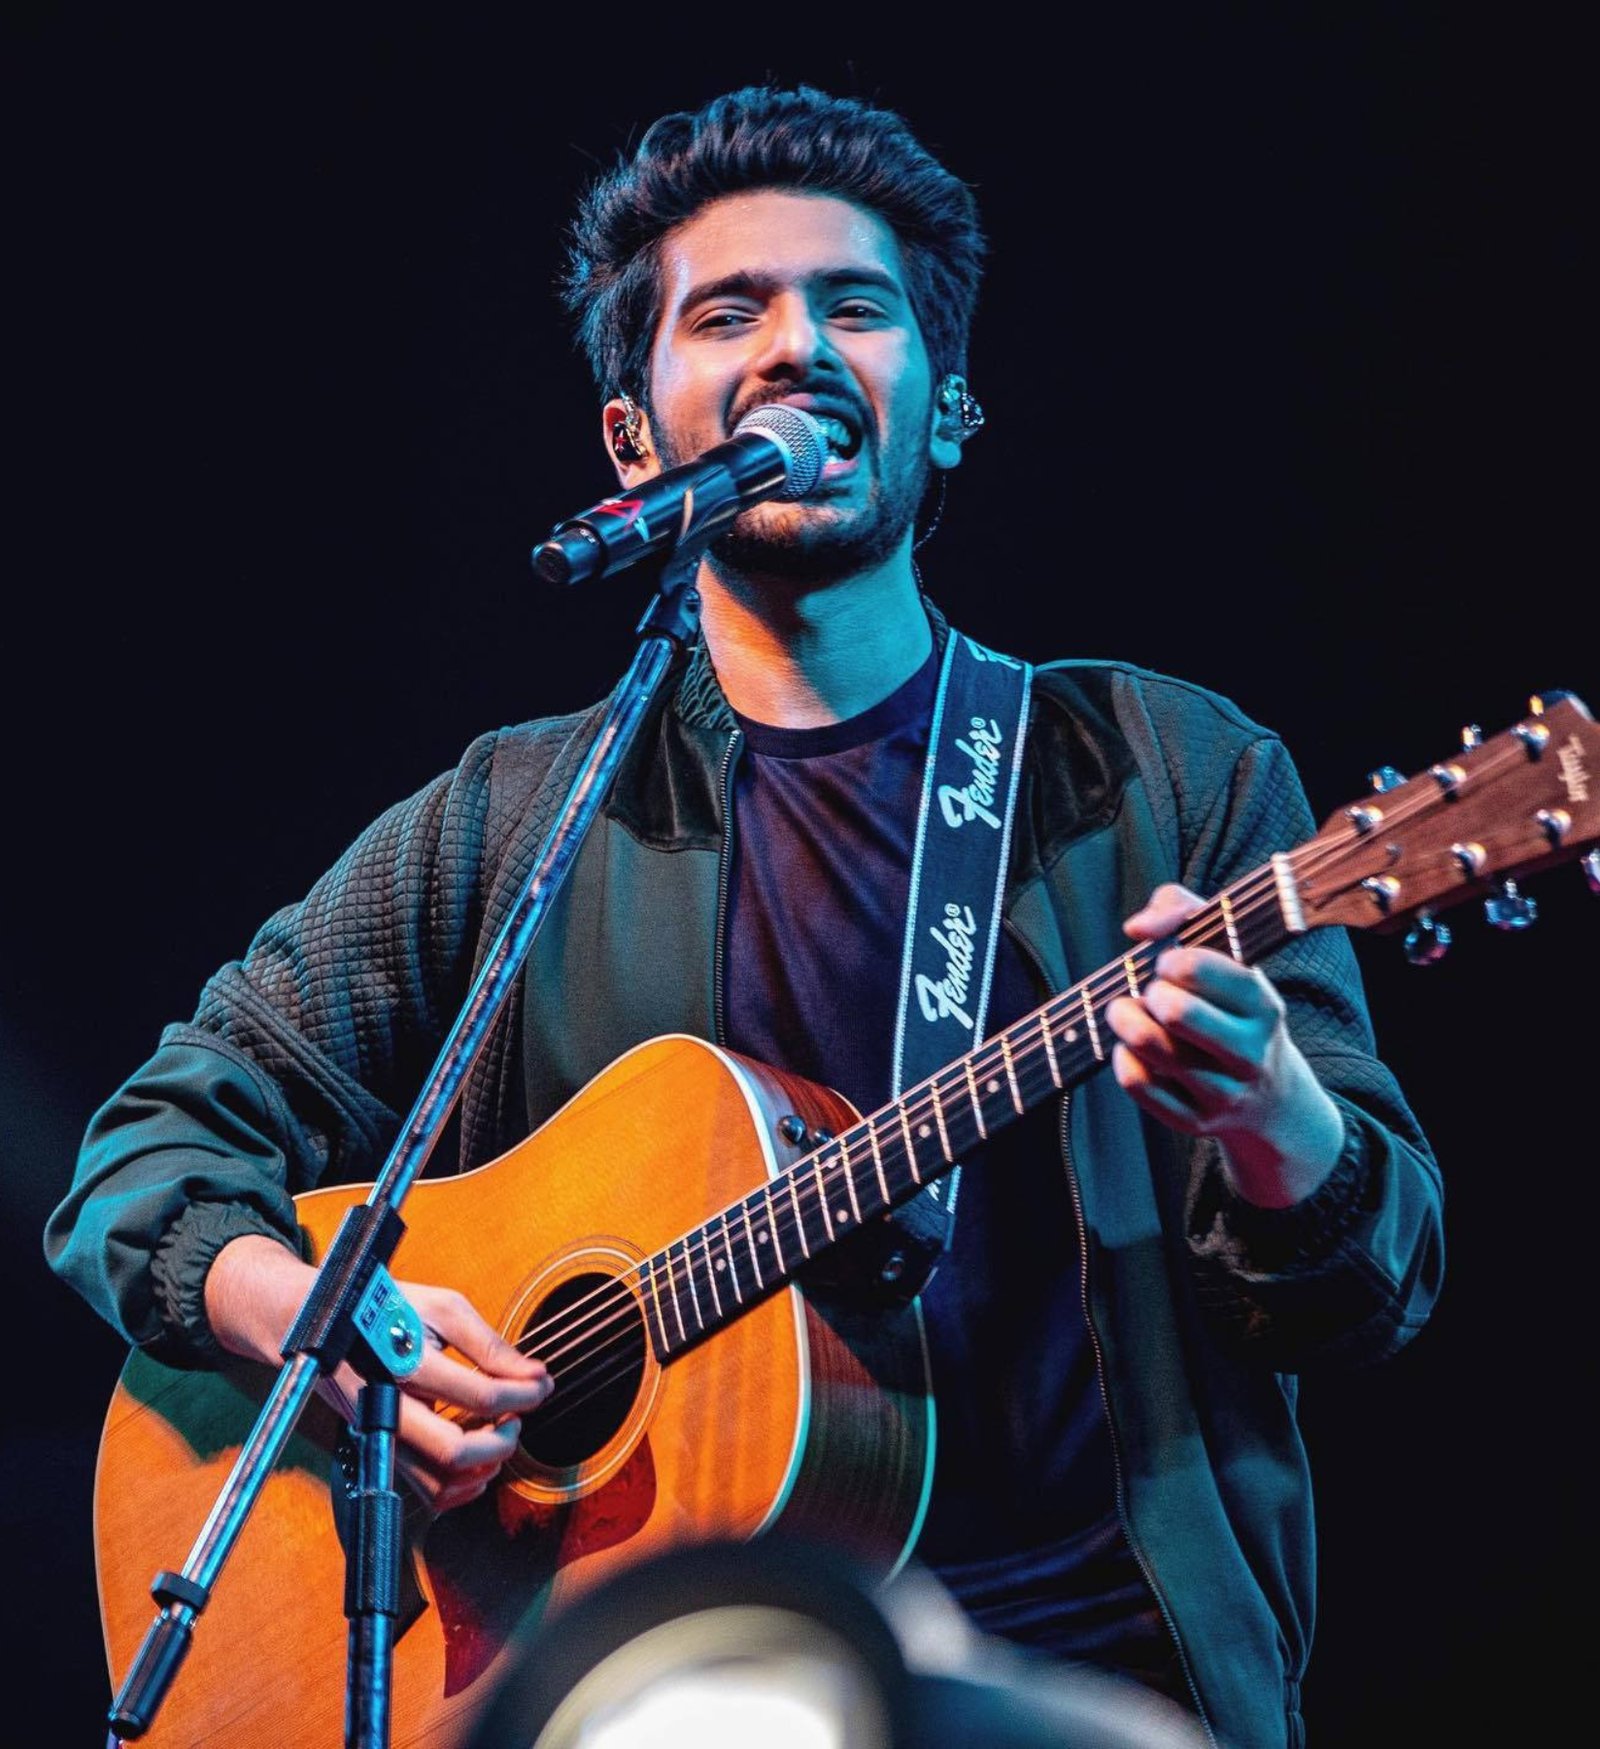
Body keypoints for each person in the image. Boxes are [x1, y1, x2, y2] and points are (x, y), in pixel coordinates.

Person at [46, 84, 1443, 1748]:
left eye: (856, 307)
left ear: (947, 408)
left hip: (1082, 1680)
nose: (795, 345)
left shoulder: (1164, 770)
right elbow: (149, 1148)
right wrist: (337, 1327)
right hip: (635, 1690)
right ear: (634, 440)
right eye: (729, 313)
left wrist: (1274, 1117)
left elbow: (1373, 1286)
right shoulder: (517, 819)